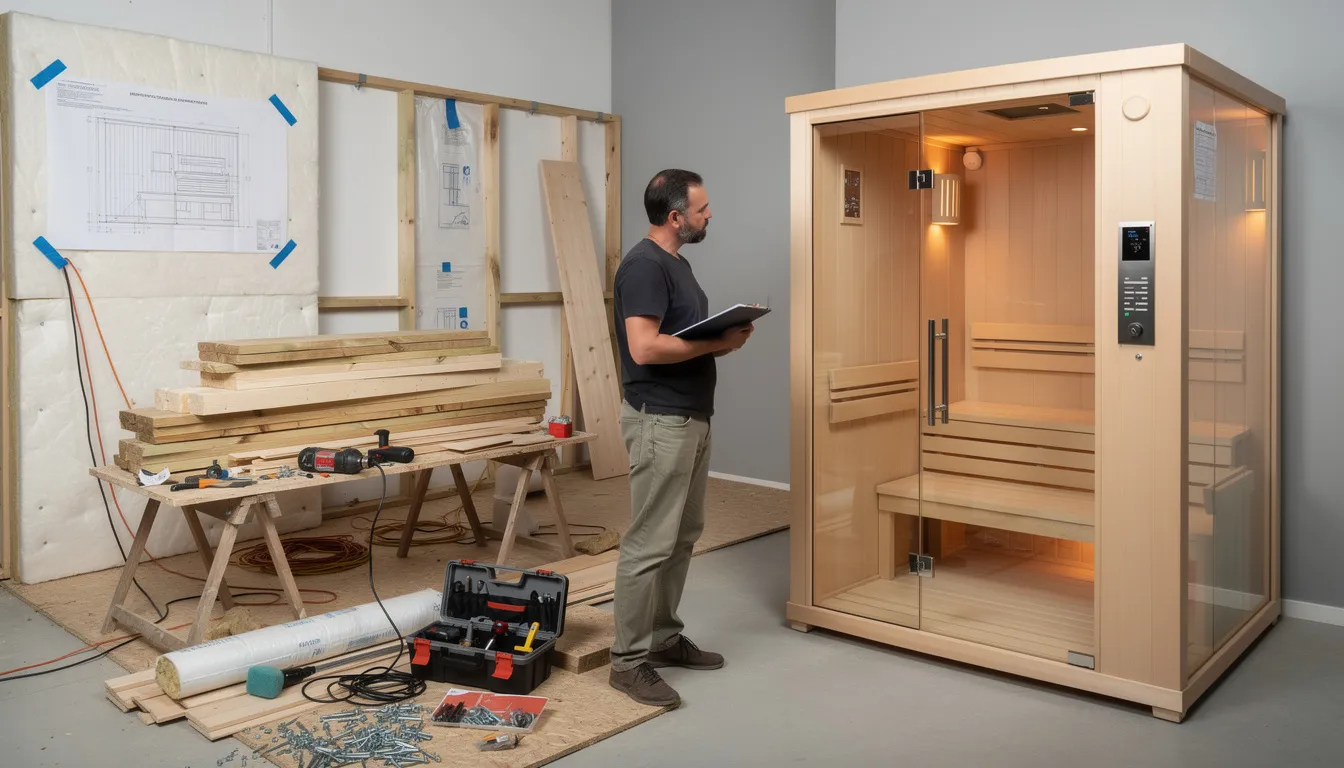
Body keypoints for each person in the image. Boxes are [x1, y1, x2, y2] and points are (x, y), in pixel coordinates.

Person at [607, 169, 753, 707]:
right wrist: (714, 346)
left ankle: (663, 638)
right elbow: (644, 349)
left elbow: (677, 335)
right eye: (702, 208)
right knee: (649, 541)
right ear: (676, 217)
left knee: (683, 533)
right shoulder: (645, 267)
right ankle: (627, 662)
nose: (709, 214)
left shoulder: (677, 264)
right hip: (660, 421)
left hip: (690, 417)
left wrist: (722, 336)